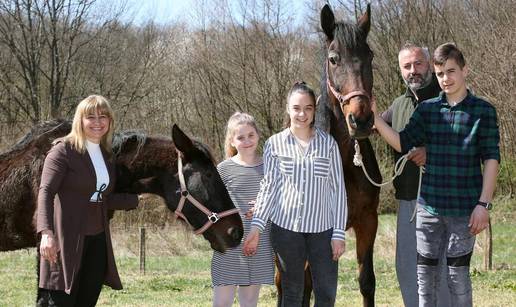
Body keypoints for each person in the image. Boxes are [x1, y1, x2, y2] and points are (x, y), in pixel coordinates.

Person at [373, 43, 500, 307]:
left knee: (457, 278)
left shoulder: (483, 112)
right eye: (441, 73)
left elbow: (491, 158)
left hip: (463, 209)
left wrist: (483, 204)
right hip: (428, 209)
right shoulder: (427, 110)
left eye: (451, 71)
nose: (446, 79)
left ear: (465, 70)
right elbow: (403, 141)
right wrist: (374, 116)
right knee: (424, 278)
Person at [243, 81, 347, 307]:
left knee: (326, 295)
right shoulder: (274, 144)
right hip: (286, 231)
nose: (302, 114)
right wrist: (256, 227)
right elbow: (268, 187)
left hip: (323, 231)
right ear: (288, 109)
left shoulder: (328, 144)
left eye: (308, 108)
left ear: (314, 110)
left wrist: (338, 233)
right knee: (292, 293)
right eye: (297, 108)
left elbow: (338, 191)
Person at [36, 95, 141, 306]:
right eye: (90, 116)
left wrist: (135, 200)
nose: (97, 122)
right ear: (79, 120)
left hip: (97, 241)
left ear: (110, 121)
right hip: (65, 241)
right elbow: (45, 191)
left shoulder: (107, 155)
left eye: (103, 116)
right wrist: (46, 233)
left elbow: (100, 198)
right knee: (59, 302)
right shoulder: (62, 151)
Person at [381, 42, 450, 307]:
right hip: (408, 200)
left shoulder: (447, 98)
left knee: (441, 267)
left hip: (443, 199)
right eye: (407, 66)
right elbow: (372, 126)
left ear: (430, 66)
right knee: (408, 266)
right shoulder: (399, 104)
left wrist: (430, 151)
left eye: (418, 64)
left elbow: (466, 139)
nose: (413, 71)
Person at [211, 112, 275, 307]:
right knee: (222, 302)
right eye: (240, 137)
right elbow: (214, 207)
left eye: (251, 135)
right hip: (229, 244)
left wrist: (264, 206)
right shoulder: (223, 169)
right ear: (232, 141)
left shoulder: (271, 167)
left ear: (258, 135)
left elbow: (282, 201)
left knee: (249, 302)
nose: (247, 141)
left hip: (260, 242)